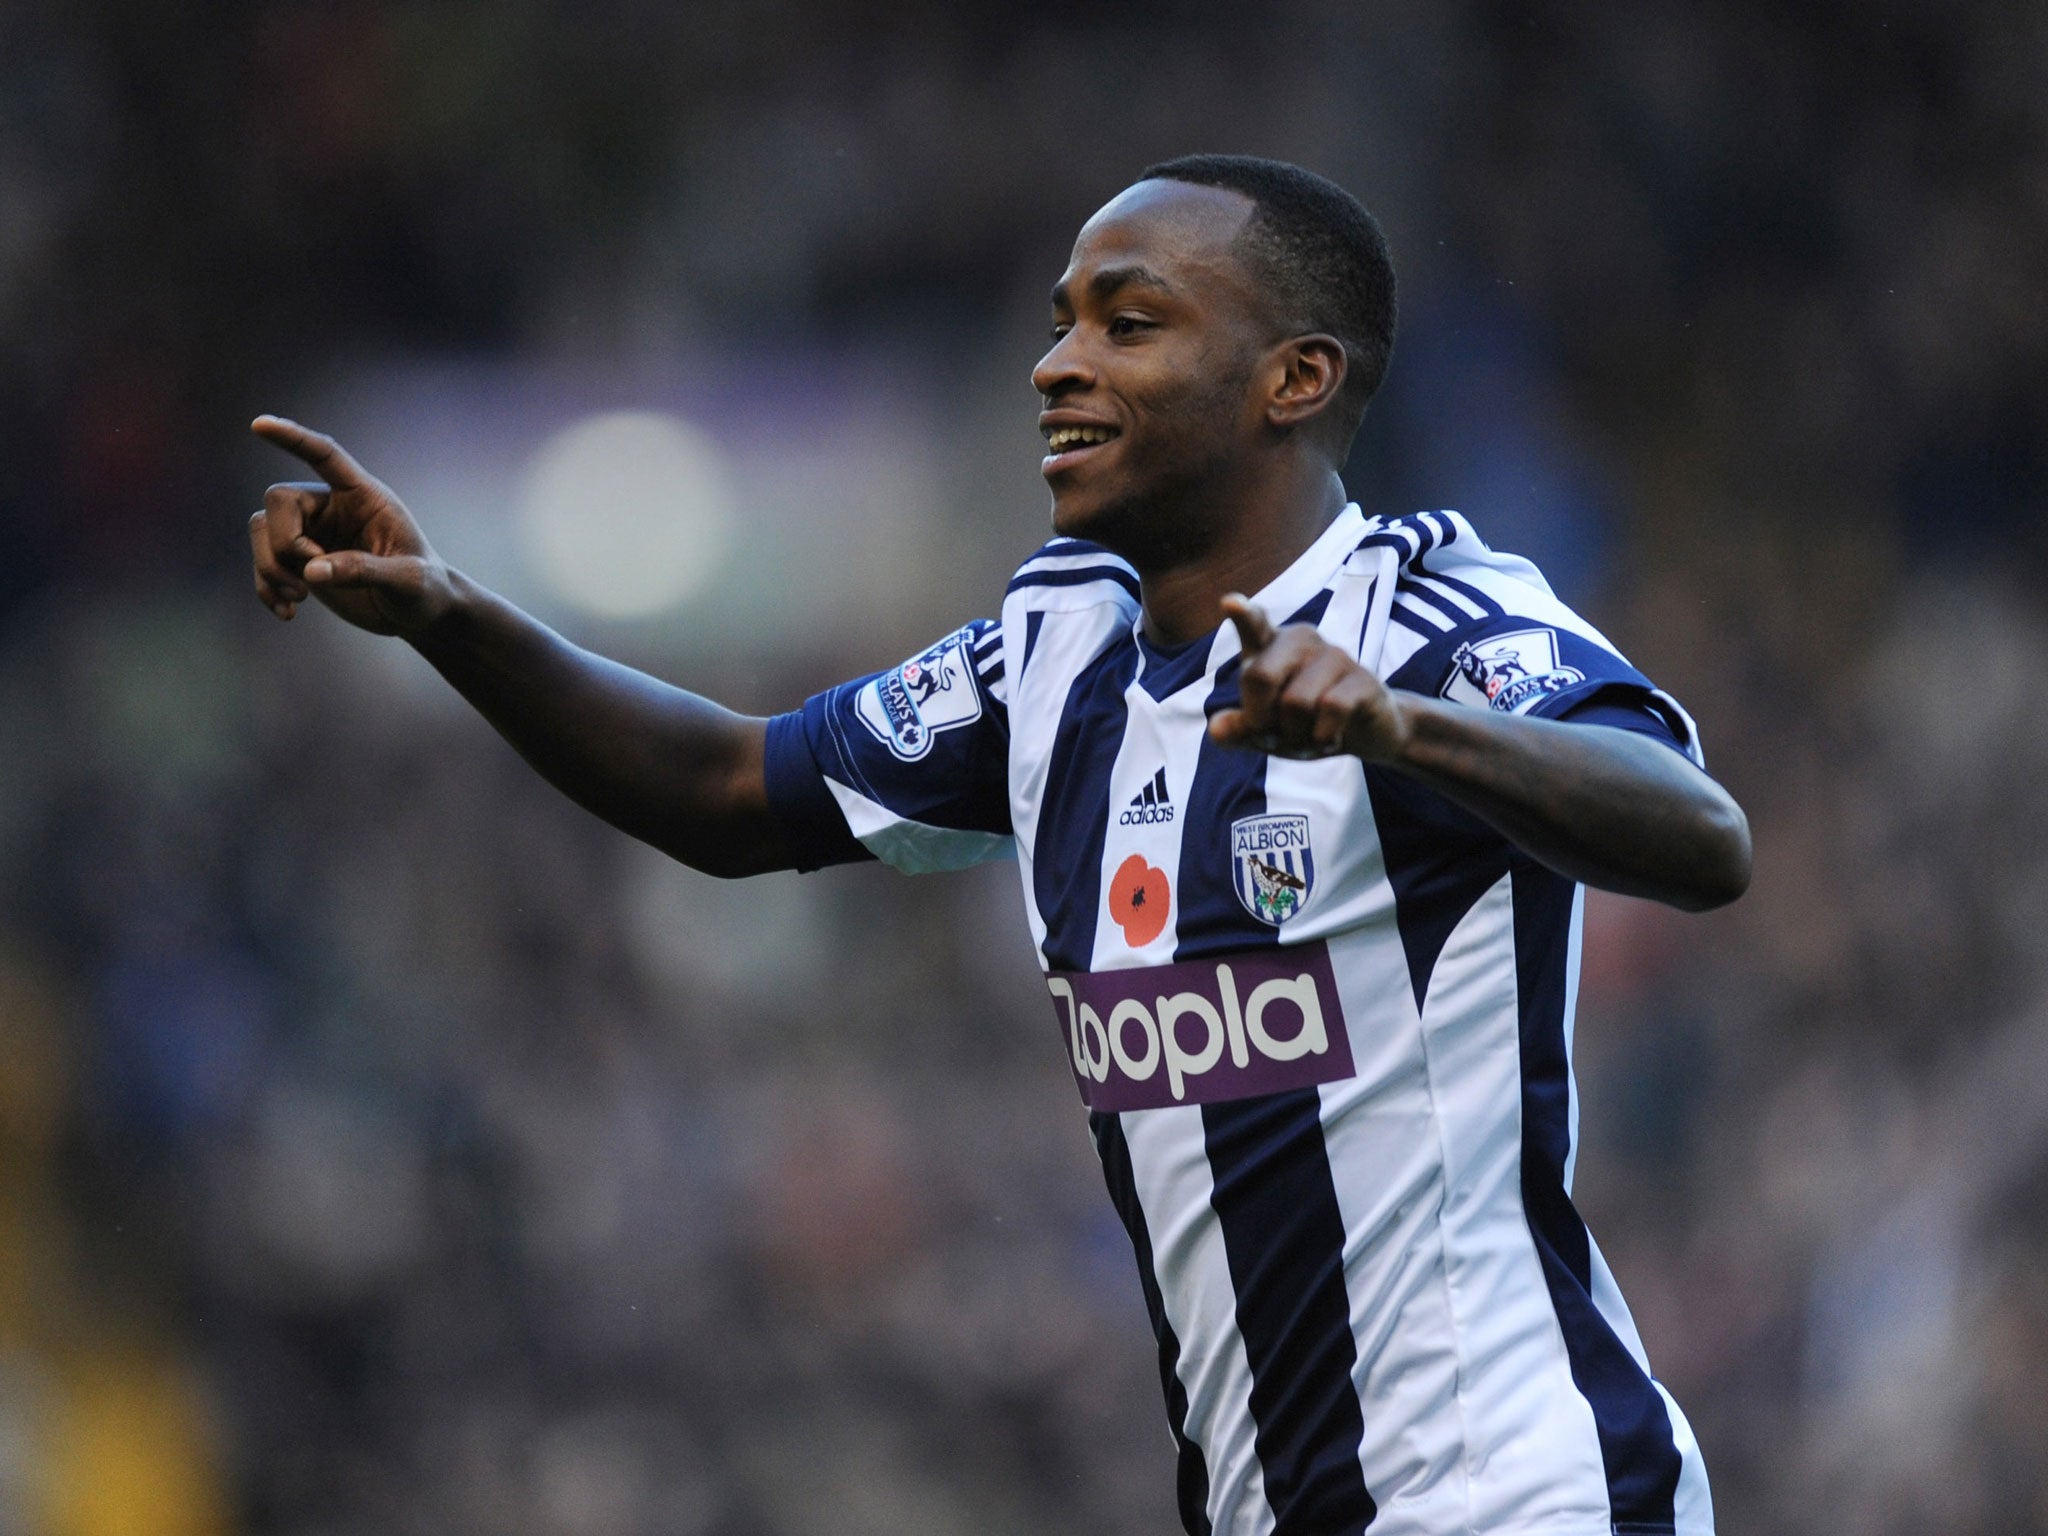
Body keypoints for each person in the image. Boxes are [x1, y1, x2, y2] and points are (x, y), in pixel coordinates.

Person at [246, 155, 1748, 1536]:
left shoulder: (1427, 613)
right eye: (1063, 323)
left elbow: (1695, 830)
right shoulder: (1054, 650)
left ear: (1292, 378)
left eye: (1129, 323)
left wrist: (1406, 734)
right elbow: (724, 793)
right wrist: (448, 611)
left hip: (1522, 1498)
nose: (1059, 363)